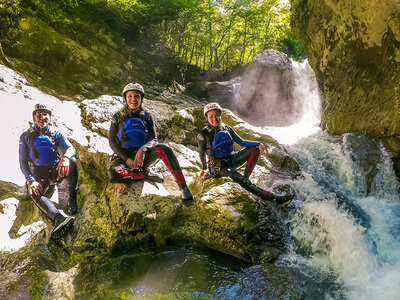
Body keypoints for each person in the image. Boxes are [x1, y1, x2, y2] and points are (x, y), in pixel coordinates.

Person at [108, 82, 193, 200]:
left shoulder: (147, 116)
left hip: (143, 158)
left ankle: (183, 187)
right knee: (113, 172)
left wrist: (143, 150)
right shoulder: (117, 117)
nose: (133, 99)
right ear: (125, 98)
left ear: (141, 98)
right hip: (124, 158)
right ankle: (143, 174)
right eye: (130, 96)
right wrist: (127, 160)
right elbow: (111, 142)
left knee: (165, 148)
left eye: (137, 96)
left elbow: (154, 139)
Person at [197, 103, 293, 206]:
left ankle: (245, 179)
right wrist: (204, 168)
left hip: (232, 160)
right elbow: (201, 153)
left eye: (216, 115)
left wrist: (258, 144)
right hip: (218, 167)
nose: (214, 119)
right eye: (211, 116)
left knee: (254, 149)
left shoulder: (227, 128)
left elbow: (241, 141)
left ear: (220, 115)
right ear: (207, 117)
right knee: (238, 178)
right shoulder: (203, 134)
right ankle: (275, 199)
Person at [19, 104, 78, 241]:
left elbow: (70, 148)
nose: (42, 117)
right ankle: (59, 218)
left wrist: (65, 158)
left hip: (54, 172)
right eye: (39, 114)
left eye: (45, 114)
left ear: (49, 116)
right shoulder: (26, 136)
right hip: (38, 176)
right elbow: (22, 162)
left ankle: (72, 201)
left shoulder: (55, 133)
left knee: (73, 161)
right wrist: (31, 181)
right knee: (33, 192)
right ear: (34, 117)